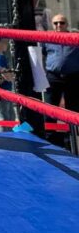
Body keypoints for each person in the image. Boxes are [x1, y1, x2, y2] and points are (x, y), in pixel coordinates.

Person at [44, 14, 79, 144]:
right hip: (53, 77)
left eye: (62, 23)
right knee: (50, 109)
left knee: (73, 109)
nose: (59, 25)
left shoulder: (75, 38)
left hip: (73, 77)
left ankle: (74, 139)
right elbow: (42, 53)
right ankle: (51, 141)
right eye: (56, 23)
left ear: (67, 24)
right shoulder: (47, 39)